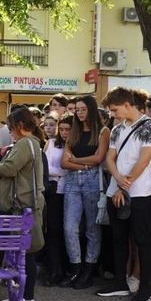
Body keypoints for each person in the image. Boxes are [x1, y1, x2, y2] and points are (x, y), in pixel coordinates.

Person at [0, 107, 46, 301]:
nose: (9, 130)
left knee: (26, 257)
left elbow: (8, 168)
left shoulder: (26, 143)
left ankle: (27, 300)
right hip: (22, 207)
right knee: (20, 256)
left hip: (23, 209)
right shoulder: (29, 143)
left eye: (10, 126)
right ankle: (20, 298)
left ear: (19, 126)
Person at [96, 87, 151, 301]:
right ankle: (120, 282)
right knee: (118, 239)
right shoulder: (116, 129)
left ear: (127, 104)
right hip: (116, 191)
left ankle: (144, 289)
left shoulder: (149, 126)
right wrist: (118, 181)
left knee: (142, 240)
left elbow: (144, 160)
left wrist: (125, 185)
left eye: (114, 110)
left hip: (140, 193)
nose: (112, 114)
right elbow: (109, 158)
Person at [60, 95, 111, 289]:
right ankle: (76, 267)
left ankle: (89, 269)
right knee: (69, 227)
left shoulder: (103, 131)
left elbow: (98, 159)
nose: (79, 113)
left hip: (93, 182)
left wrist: (76, 161)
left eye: (83, 109)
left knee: (92, 228)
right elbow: (63, 163)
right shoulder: (74, 131)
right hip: (72, 182)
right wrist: (83, 163)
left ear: (91, 109)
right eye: (77, 110)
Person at [42, 113, 72, 286]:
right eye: (61, 129)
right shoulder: (52, 143)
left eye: (67, 129)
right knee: (52, 231)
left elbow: (65, 168)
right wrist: (62, 168)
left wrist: (62, 168)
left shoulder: (75, 145)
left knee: (68, 231)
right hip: (53, 192)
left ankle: (68, 268)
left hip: (70, 191)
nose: (64, 132)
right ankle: (55, 270)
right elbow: (49, 168)